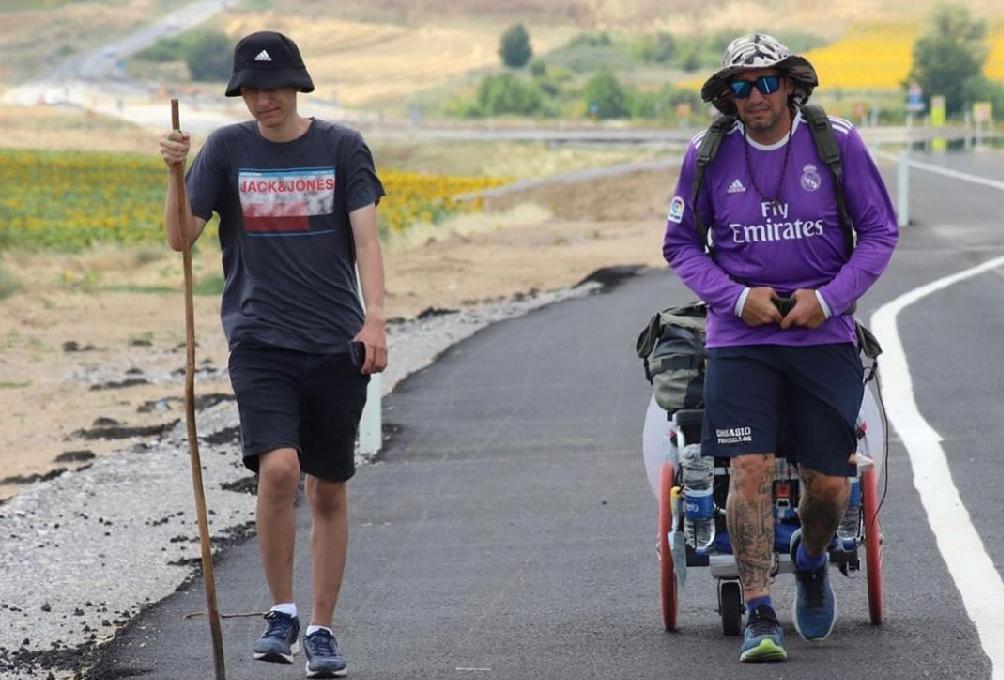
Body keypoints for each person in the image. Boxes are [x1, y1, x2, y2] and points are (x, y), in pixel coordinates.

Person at [159, 30, 388, 678]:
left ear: (298, 85)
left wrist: (375, 319)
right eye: (252, 90)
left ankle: (321, 628)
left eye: (275, 87)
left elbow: (367, 242)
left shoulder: (342, 147)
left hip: (337, 340)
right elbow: (180, 237)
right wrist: (175, 174)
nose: (265, 100)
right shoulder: (227, 150)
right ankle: (281, 610)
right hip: (259, 341)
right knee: (280, 469)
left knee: (328, 488)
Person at [662, 33, 897, 662]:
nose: (756, 95)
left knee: (830, 485)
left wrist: (830, 299)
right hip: (741, 339)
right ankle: (759, 611)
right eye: (741, 86)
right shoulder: (707, 154)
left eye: (767, 82)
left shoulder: (836, 143)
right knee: (748, 468)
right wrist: (738, 298)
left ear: (791, 85)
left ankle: (812, 559)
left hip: (823, 335)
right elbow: (680, 244)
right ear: (728, 96)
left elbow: (879, 232)